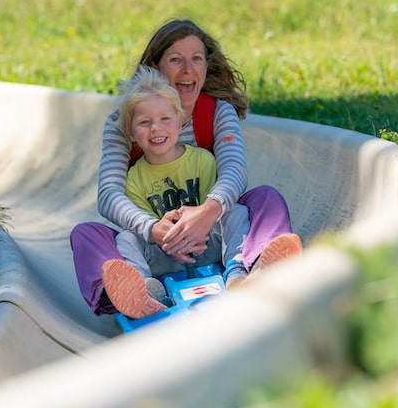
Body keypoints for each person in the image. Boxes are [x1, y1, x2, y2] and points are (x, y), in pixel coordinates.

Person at [71, 19, 302, 316]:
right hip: (155, 240)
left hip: (211, 234)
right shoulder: (125, 123)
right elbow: (109, 195)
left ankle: (256, 271)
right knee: (86, 234)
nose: (188, 70)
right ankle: (134, 295)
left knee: (265, 199)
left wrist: (206, 213)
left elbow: (234, 171)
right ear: (155, 66)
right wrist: (153, 228)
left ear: (207, 65)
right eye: (176, 60)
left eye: (196, 59)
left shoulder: (217, 112)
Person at [102, 65, 251, 319]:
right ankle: (145, 291)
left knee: (236, 212)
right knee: (126, 239)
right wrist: (168, 235)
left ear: (180, 123)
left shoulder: (203, 161)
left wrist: (193, 232)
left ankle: (237, 270)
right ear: (131, 133)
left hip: (205, 244)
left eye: (164, 119)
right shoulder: (134, 178)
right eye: (145, 122)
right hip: (165, 252)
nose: (156, 129)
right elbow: (148, 227)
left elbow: (210, 213)